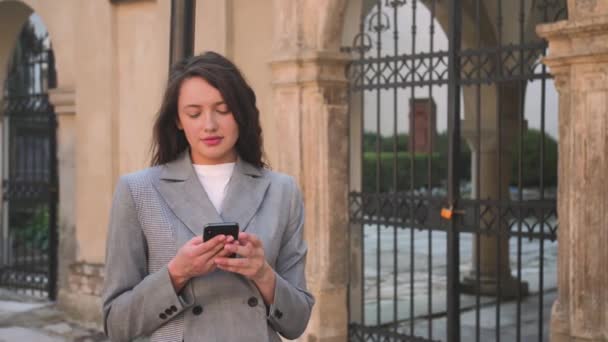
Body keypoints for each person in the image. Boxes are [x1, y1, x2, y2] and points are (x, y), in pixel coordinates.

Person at [101, 51, 314, 342]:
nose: (209, 125)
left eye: (223, 109)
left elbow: (297, 322)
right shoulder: (138, 191)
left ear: (241, 113)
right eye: (194, 113)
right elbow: (116, 324)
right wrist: (177, 273)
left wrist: (262, 274)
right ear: (178, 119)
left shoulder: (281, 191)